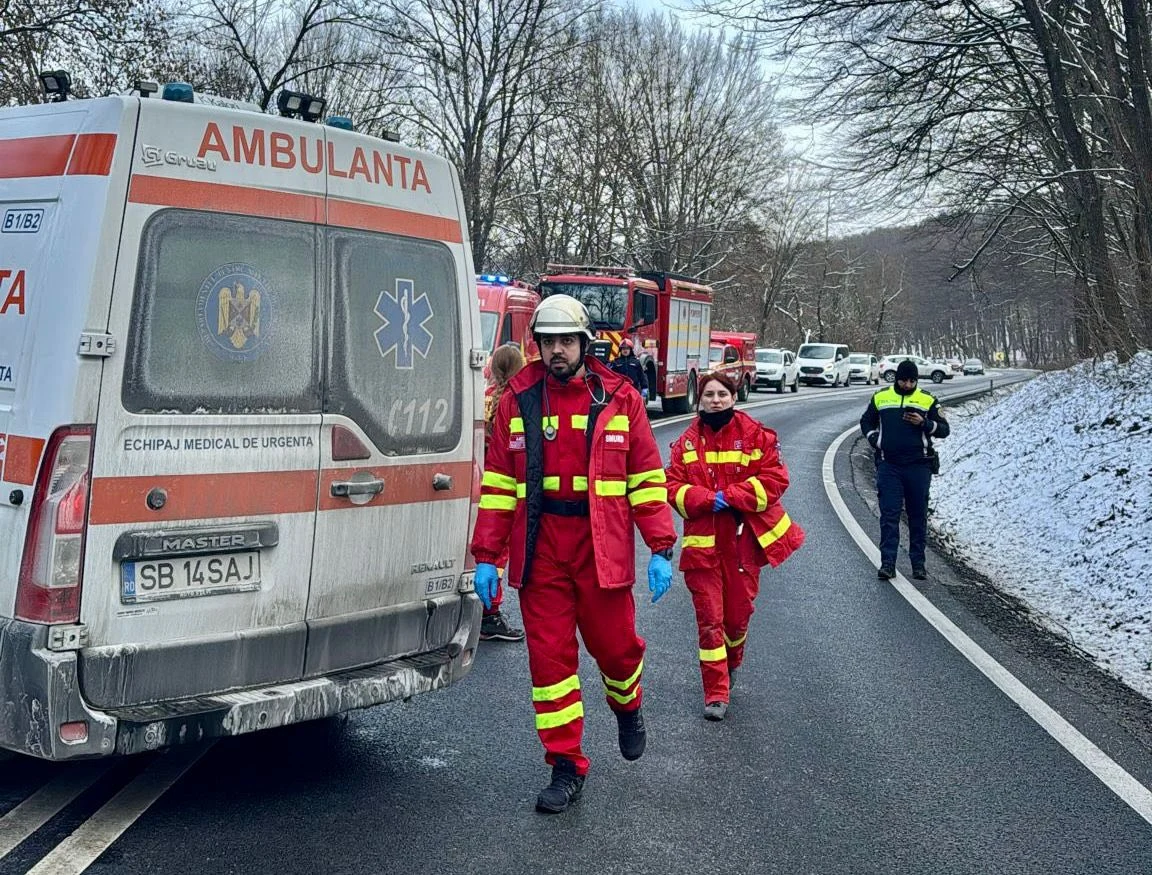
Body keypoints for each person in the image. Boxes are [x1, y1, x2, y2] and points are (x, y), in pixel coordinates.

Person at [471, 294, 676, 815]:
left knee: (616, 650)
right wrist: (486, 556)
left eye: (566, 341)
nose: (557, 351)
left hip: (599, 546)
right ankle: (566, 765)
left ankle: (627, 705)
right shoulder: (517, 399)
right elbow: (497, 485)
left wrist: (660, 544)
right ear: (535, 345)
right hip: (541, 551)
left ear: (584, 343)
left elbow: (646, 478)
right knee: (550, 665)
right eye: (548, 342)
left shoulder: (619, 397)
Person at [665, 372, 804, 721]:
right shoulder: (685, 443)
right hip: (703, 547)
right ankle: (716, 692)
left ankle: (732, 661)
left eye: (722, 394)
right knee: (709, 620)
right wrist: (704, 499)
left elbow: (775, 478)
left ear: (733, 396)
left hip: (744, 543)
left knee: (737, 619)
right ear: (700, 400)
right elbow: (670, 486)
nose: (715, 400)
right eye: (709, 394)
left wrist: (734, 496)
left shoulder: (756, 435)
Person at [859, 358, 950, 581]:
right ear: (897, 378)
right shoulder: (881, 397)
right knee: (889, 514)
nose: (907, 385)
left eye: (911, 381)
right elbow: (866, 422)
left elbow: (944, 430)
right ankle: (887, 563)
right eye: (903, 380)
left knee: (917, 515)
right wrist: (874, 439)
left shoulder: (927, 400)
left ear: (916, 380)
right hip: (889, 465)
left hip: (919, 466)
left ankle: (918, 564)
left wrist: (924, 423)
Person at [479, 344, 528, 642]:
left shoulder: (485, 398)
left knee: (484, 550)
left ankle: (484, 609)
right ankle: (490, 614)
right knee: (499, 552)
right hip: (503, 486)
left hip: (479, 482)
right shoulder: (517, 403)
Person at [609, 338, 648, 405]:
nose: (625, 350)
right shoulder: (616, 363)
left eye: (627, 348)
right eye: (623, 349)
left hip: (634, 392)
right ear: (620, 350)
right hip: (620, 393)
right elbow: (611, 378)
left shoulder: (636, 362)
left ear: (630, 350)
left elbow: (642, 378)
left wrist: (644, 393)